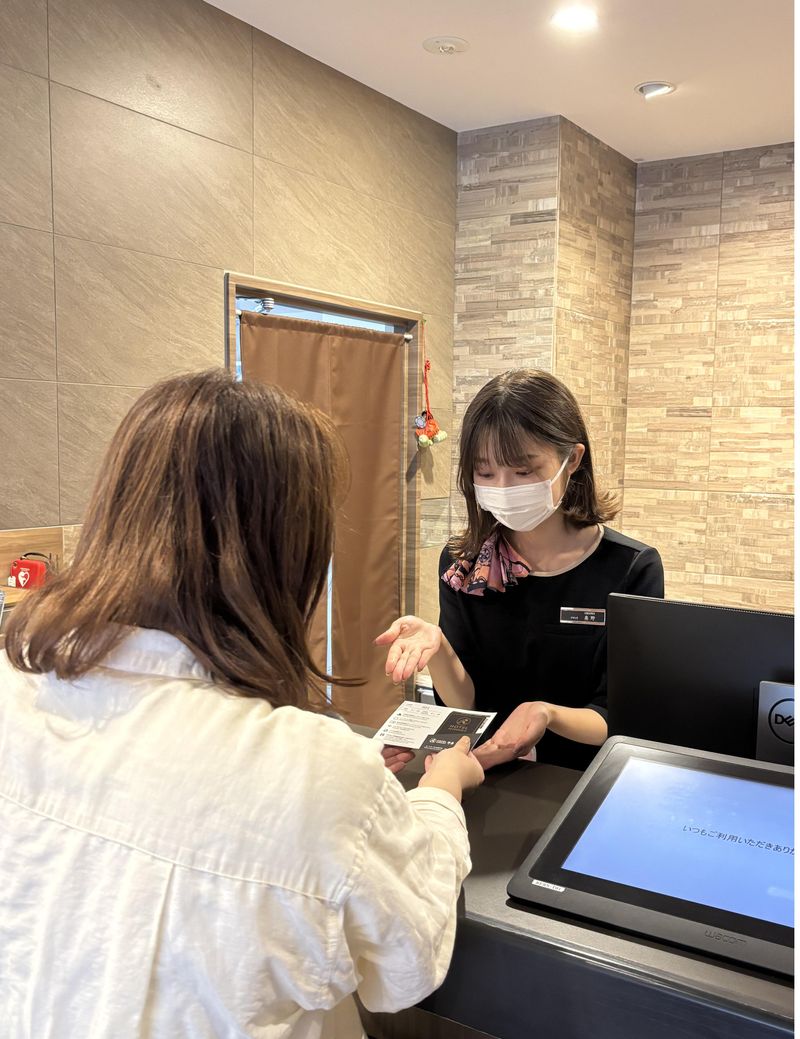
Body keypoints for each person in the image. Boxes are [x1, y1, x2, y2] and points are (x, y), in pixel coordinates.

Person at [0, 370, 483, 1038]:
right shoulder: (314, 774)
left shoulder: (15, 690)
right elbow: (408, 960)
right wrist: (440, 791)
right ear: (287, 552)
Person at [377, 369, 664, 773]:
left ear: (572, 459)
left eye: (523, 471)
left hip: (582, 781)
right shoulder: (464, 564)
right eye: (485, 473)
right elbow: (466, 704)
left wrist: (547, 714)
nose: (503, 487)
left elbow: (620, 716)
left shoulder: (630, 568)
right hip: (485, 775)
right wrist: (438, 648)